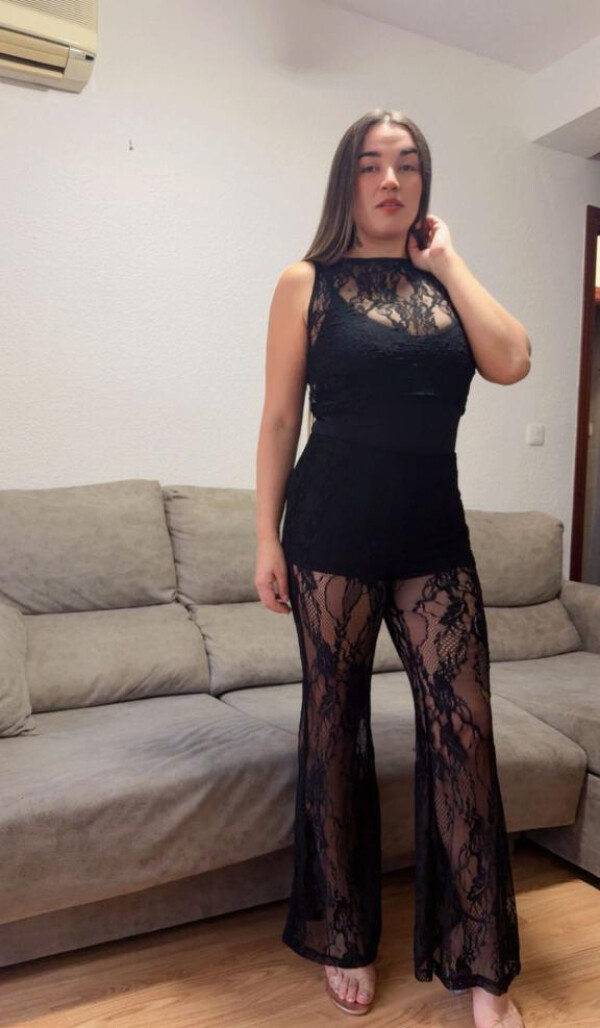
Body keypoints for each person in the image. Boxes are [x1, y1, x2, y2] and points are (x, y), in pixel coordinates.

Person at [254, 108, 531, 1028]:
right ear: (348, 179)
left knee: (465, 734)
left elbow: (515, 360)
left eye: (407, 165)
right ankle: (345, 936)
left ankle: (482, 964)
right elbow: (279, 418)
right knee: (334, 730)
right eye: (372, 164)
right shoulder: (306, 282)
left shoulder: (442, 281)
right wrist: (265, 538)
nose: (390, 180)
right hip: (329, 530)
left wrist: (446, 259)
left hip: (431, 537)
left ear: (423, 183)